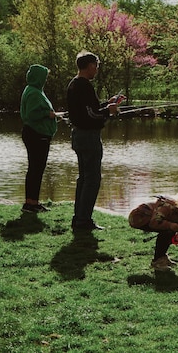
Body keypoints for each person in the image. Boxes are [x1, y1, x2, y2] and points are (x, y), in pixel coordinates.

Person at [67, 51, 125, 232]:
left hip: (78, 135)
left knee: (84, 178)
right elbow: (91, 115)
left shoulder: (73, 84)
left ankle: (79, 219)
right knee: (92, 179)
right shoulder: (83, 86)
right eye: (96, 66)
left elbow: (90, 110)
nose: (97, 69)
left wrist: (107, 105)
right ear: (90, 65)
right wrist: (109, 111)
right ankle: (84, 221)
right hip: (88, 137)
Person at [128, 186, 178, 271]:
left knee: (171, 230)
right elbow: (154, 222)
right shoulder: (167, 207)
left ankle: (162, 257)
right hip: (138, 218)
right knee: (169, 230)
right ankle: (157, 261)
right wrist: (170, 225)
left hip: (149, 219)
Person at [20, 64, 57, 213]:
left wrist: (51, 116)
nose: (46, 80)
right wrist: (48, 115)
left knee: (35, 169)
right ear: (38, 77)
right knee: (36, 169)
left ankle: (32, 202)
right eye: (44, 77)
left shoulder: (32, 90)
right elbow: (32, 114)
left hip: (35, 134)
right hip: (37, 135)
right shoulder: (34, 92)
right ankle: (31, 203)